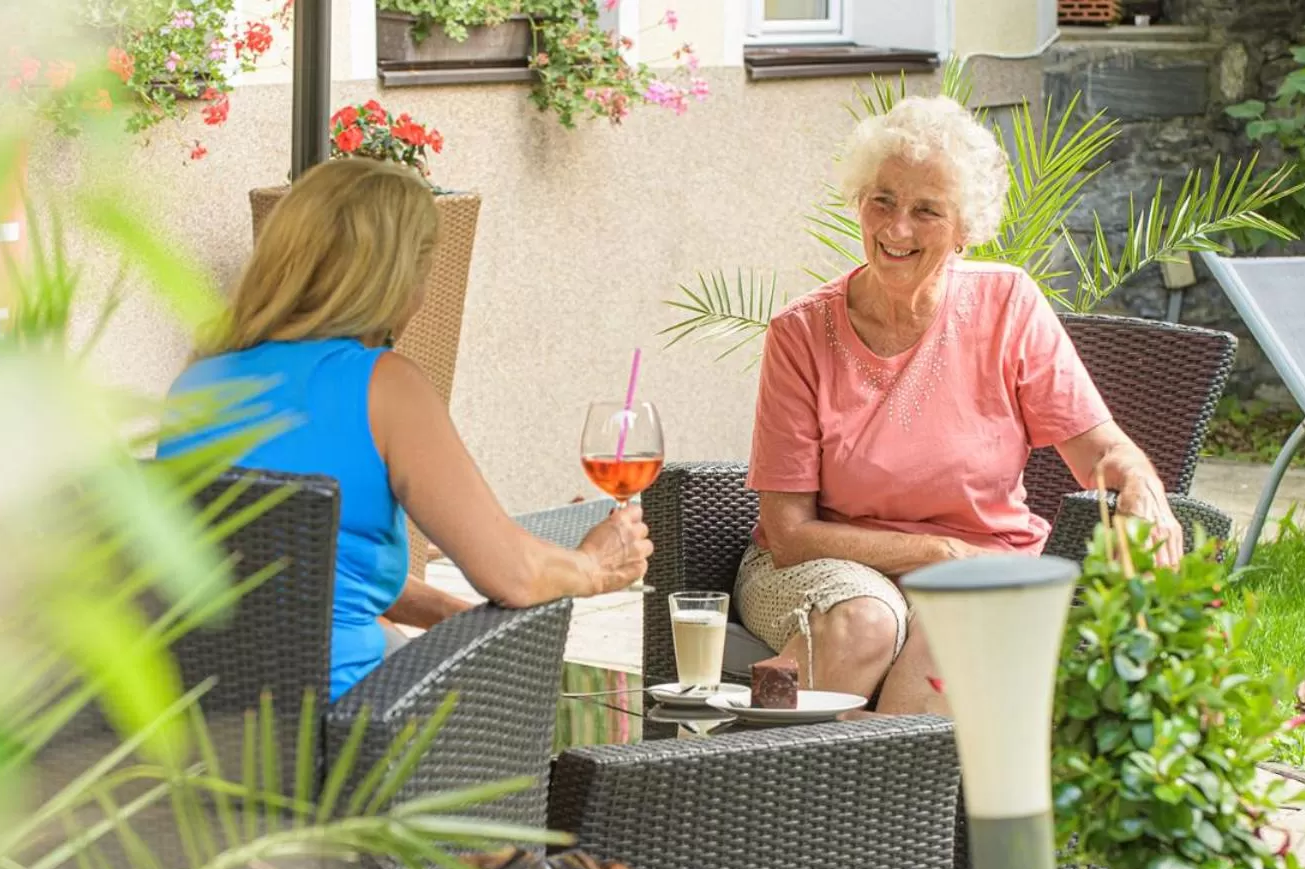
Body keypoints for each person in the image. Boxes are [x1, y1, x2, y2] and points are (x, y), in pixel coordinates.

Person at [740, 94, 1182, 715]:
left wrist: (1141, 484)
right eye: (883, 201)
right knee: (865, 621)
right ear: (858, 200)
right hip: (824, 566)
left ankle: (859, 802)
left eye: (927, 211)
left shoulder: (1007, 306)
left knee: (950, 634)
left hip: (981, 570)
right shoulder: (802, 333)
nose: (896, 229)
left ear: (966, 229)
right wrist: (936, 551)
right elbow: (788, 535)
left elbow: (1101, 450)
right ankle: (765, 786)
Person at [161, 157, 650, 699]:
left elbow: (288, 564)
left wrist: (441, 610)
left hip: (203, 718)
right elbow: (514, 574)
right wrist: (594, 566)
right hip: (342, 732)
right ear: (395, 278)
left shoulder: (198, 381)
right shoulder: (384, 385)